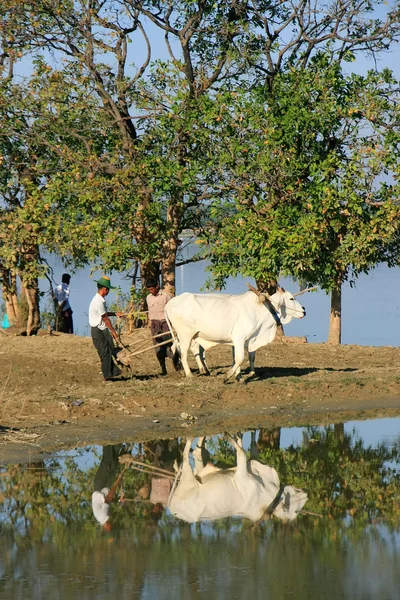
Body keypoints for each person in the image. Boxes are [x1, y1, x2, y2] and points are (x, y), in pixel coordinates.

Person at [89, 275, 123, 382]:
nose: (108, 291)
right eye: (108, 289)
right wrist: (114, 333)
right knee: (105, 353)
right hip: (98, 330)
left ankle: (113, 372)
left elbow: (104, 313)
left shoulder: (100, 300)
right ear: (105, 289)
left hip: (102, 329)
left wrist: (115, 313)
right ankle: (107, 376)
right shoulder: (98, 301)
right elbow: (105, 319)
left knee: (109, 350)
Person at [92, 444, 128, 531]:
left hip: (100, 487)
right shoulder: (101, 518)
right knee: (114, 465)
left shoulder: (104, 516)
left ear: (108, 528)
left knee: (107, 463)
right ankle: (116, 444)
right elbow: (108, 500)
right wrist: (120, 500)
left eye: (111, 526)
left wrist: (117, 482)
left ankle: (106, 442)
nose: (112, 524)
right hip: (102, 488)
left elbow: (108, 498)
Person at [145, 278, 175, 376]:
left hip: (165, 323)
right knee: (157, 347)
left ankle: (176, 365)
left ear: (157, 286)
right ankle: (163, 369)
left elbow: (172, 309)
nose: (150, 291)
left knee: (169, 345)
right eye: (149, 290)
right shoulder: (148, 298)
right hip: (154, 324)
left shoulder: (166, 296)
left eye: (152, 289)